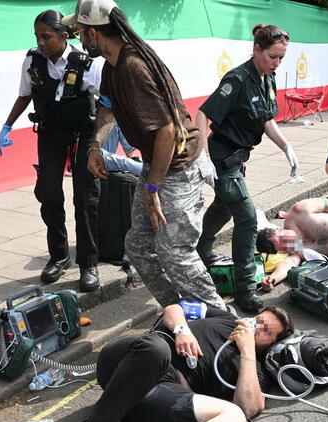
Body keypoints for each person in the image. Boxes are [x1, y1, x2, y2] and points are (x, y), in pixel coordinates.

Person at [67, 0, 224, 308]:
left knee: (174, 252)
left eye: (81, 33)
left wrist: (153, 188)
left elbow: (167, 132)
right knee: (138, 247)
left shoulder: (132, 67)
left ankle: (221, 319)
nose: (80, 40)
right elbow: (107, 108)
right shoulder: (113, 66)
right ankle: (178, 312)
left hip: (179, 169)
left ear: (93, 34)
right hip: (158, 165)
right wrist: (96, 145)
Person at [71, 302, 293, 422]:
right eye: (257, 320)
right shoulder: (226, 318)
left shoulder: (254, 368)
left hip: (152, 397)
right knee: (157, 350)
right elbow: (174, 308)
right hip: (130, 358)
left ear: (271, 344)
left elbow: (248, 407)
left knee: (235, 416)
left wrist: (247, 349)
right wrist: (182, 330)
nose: (255, 327)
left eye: (264, 330)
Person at [0, 10, 102, 292]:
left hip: (82, 134)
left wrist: (99, 142)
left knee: (85, 198)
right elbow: (24, 95)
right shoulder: (32, 61)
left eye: (46, 37)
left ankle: (88, 262)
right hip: (50, 133)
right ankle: (59, 256)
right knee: (49, 194)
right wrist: (6, 126)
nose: (40, 42)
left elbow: (105, 102)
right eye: (37, 37)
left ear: (64, 36)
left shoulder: (86, 63)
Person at [195, 24, 299, 313]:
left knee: (223, 208)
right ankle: (244, 288)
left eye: (281, 58)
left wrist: (286, 146)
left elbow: (265, 118)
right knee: (248, 219)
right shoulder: (238, 79)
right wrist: (203, 154)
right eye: (273, 56)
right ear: (256, 50)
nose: (277, 63)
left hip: (238, 158)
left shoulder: (267, 77)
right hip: (222, 158)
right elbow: (203, 113)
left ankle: (200, 251)